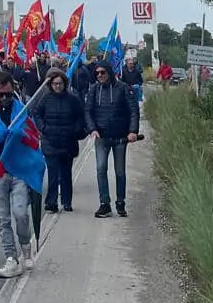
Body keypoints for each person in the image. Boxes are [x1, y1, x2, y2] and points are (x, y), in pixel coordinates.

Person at [0, 71, 34, 277]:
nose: (4, 99)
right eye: (0, 95)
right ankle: (10, 258)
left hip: (19, 170)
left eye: (8, 94)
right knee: (3, 218)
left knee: (21, 213)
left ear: (13, 91)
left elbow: (33, 137)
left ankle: (25, 244)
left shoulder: (22, 112)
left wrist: (19, 134)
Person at [84, 63, 139, 218]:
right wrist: (92, 129)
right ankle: (104, 203)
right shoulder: (94, 89)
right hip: (101, 137)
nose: (100, 75)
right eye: (97, 73)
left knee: (120, 172)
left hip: (120, 137)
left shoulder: (123, 88)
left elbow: (133, 110)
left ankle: (120, 202)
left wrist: (133, 131)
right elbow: (88, 111)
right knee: (101, 169)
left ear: (109, 72)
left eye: (102, 72)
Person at [31, 68, 87, 213]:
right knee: (53, 174)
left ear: (64, 83)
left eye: (60, 83)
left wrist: (75, 130)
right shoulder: (46, 98)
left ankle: (67, 202)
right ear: (51, 85)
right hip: (50, 141)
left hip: (67, 141)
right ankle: (51, 202)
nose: (57, 86)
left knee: (66, 174)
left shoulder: (73, 99)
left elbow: (81, 116)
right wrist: (43, 127)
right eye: (55, 84)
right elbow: (36, 113)